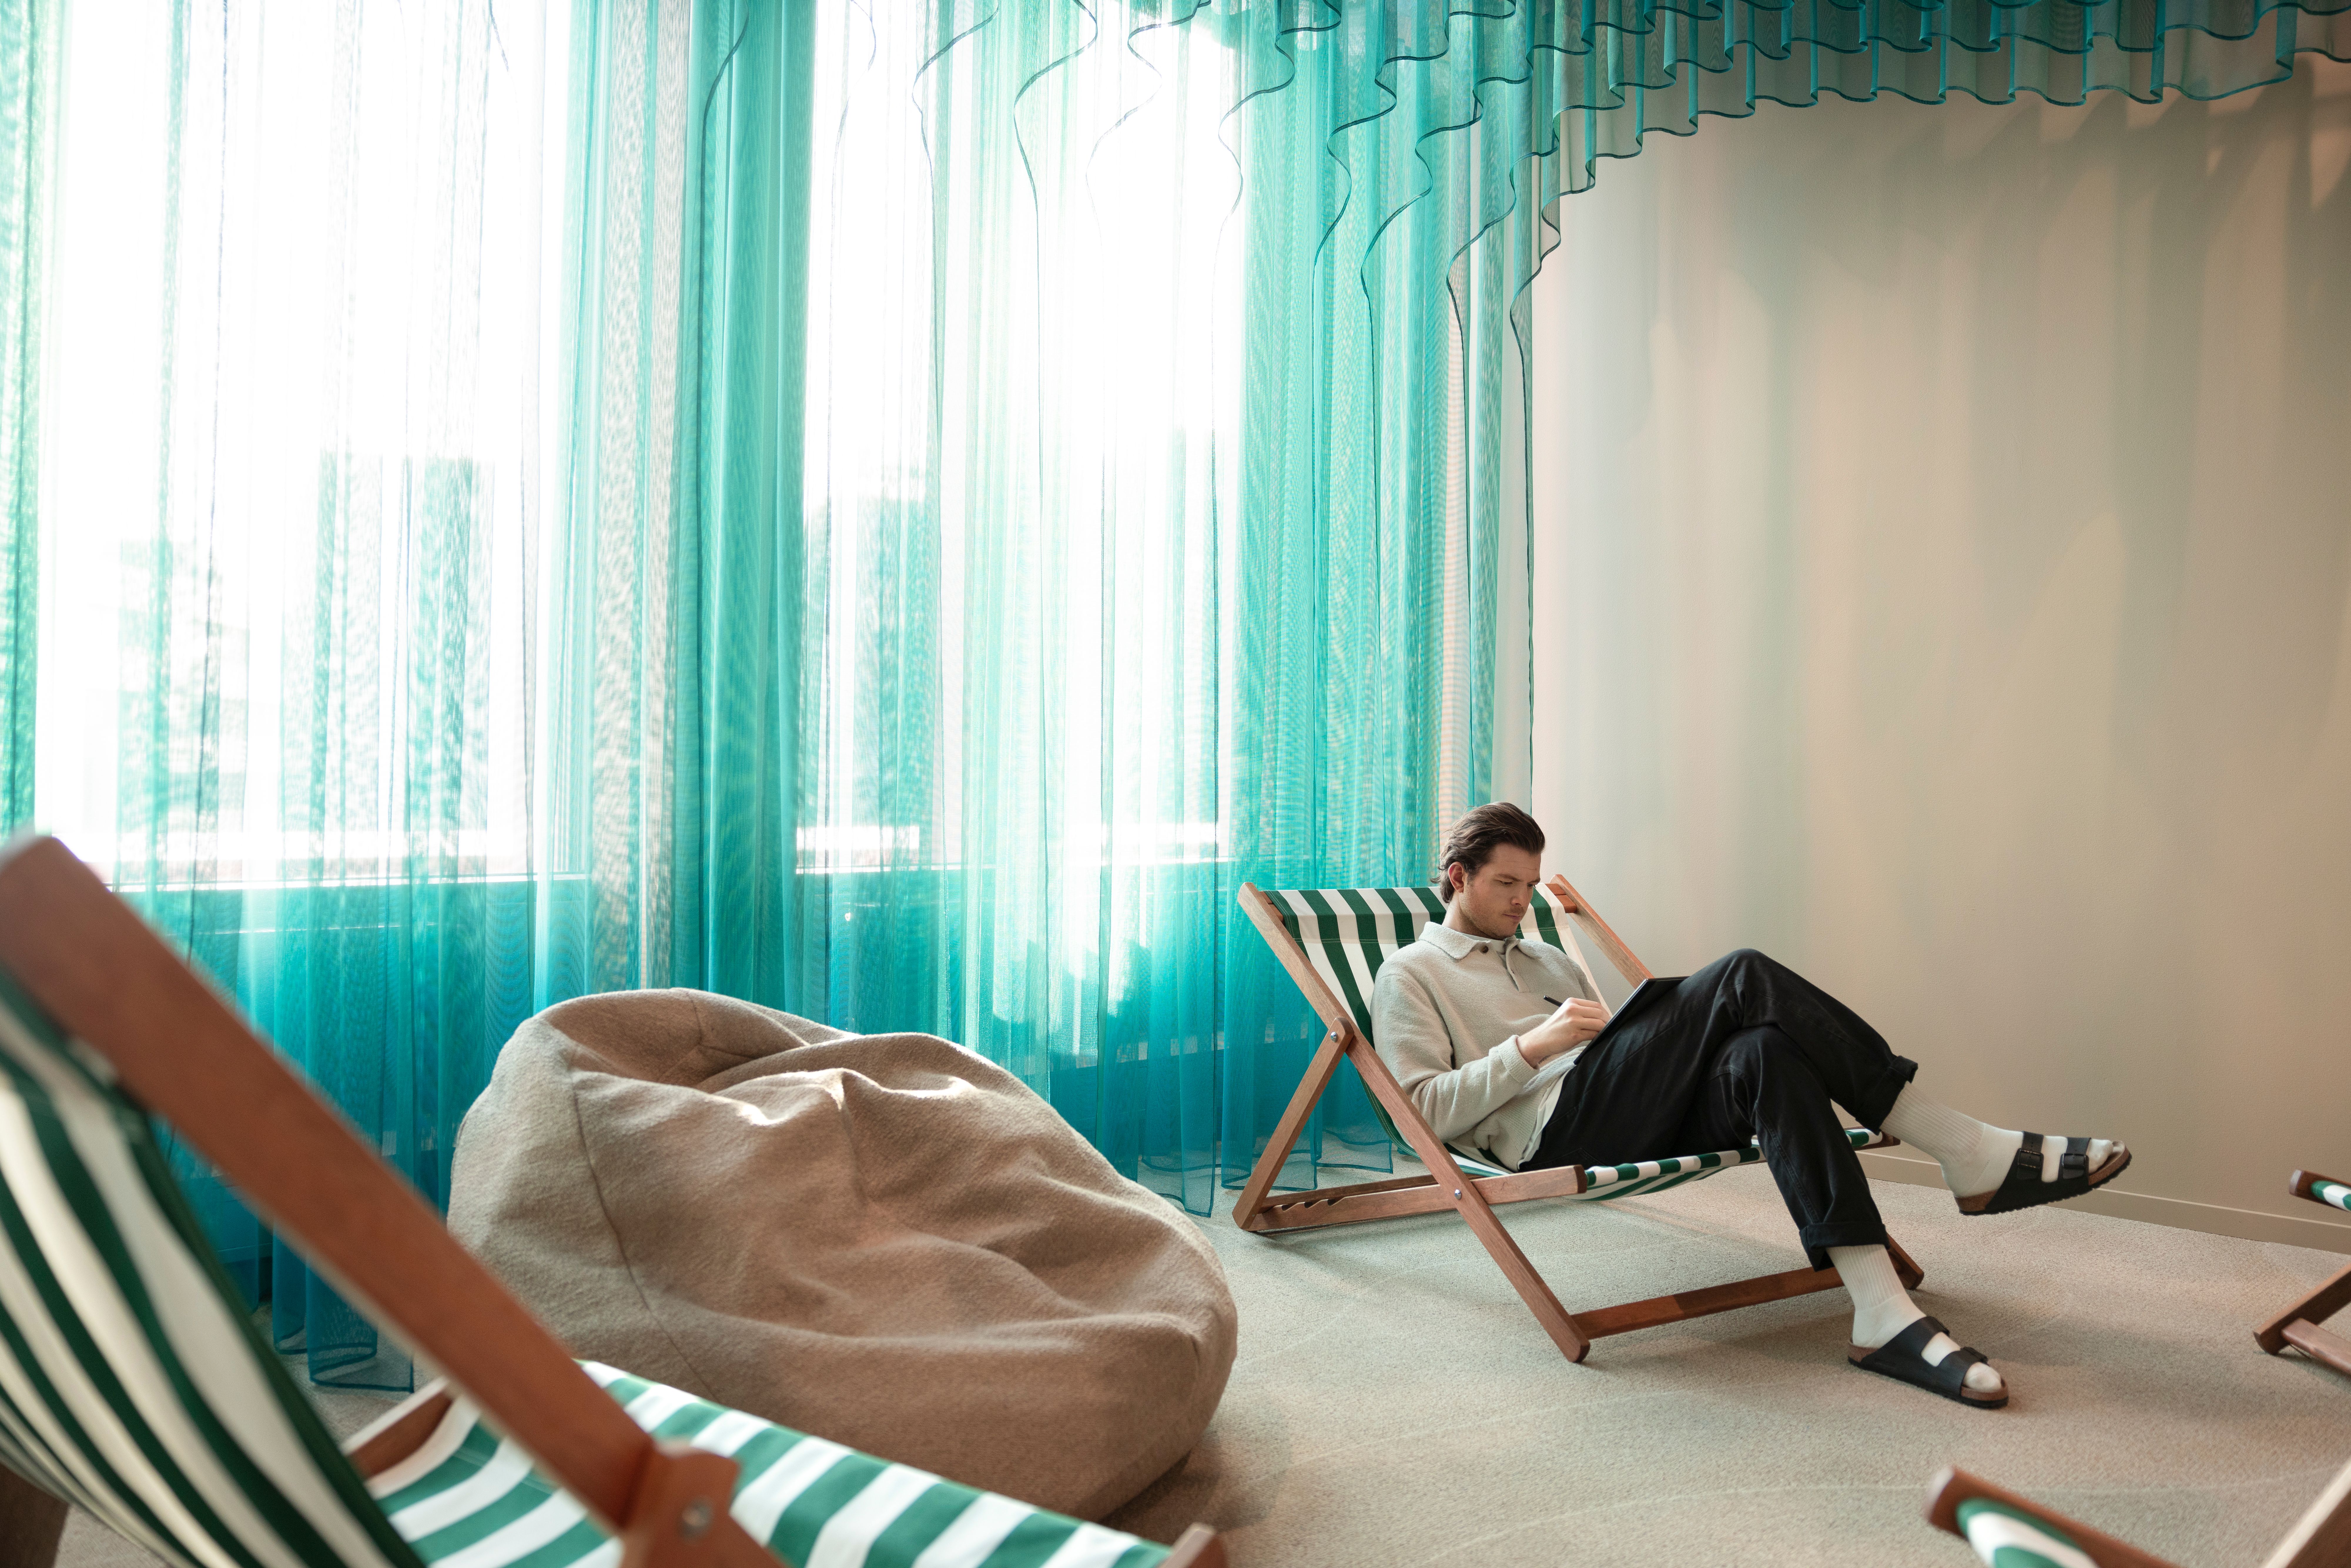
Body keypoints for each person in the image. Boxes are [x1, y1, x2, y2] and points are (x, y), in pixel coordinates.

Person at [1370, 801, 2130, 1407]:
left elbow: (1615, 1051)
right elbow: (1426, 1113)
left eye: (1533, 885)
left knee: (1765, 1051)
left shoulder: (1547, 957)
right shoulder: (1411, 974)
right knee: (1743, 975)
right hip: (1551, 1129)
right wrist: (1533, 1046)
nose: (1523, 900)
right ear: (1459, 876)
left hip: (1621, 1104)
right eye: (1507, 884)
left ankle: (1881, 1310)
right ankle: (1965, 1149)